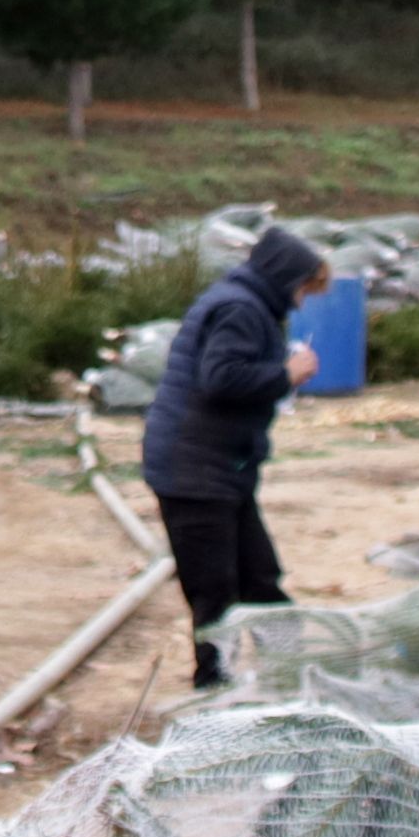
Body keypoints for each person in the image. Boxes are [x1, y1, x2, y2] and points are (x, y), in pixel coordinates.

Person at [141, 224, 333, 687]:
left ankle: (289, 677)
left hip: (219, 467)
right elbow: (221, 378)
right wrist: (286, 373)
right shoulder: (239, 309)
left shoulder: (245, 304)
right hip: (195, 472)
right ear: (287, 279)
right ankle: (212, 693)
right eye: (305, 290)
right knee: (216, 594)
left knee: (259, 578)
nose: (303, 301)